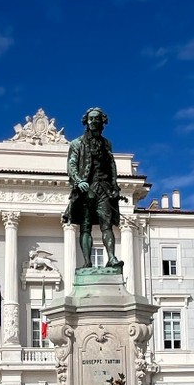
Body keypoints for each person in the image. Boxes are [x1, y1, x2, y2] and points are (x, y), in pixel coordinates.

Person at [63, 107, 123, 270]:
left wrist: (115, 186)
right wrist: (79, 180)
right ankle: (87, 262)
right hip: (85, 190)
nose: (93, 122)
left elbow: (111, 165)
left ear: (102, 121)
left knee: (107, 224)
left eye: (97, 119)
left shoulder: (106, 143)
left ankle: (111, 258)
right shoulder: (77, 143)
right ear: (86, 122)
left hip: (103, 188)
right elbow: (72, 165)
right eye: (91, 119)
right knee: (85, 226)